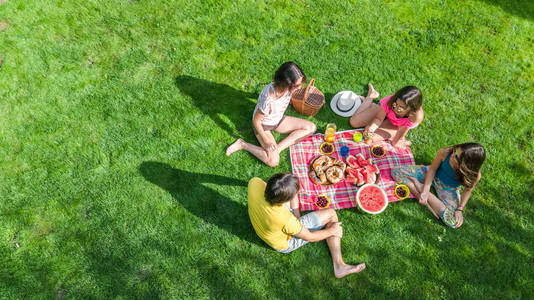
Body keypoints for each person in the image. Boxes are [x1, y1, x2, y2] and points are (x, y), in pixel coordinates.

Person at [247, 173, 366, 278]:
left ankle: (298, 215)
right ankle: (339, 265)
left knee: (290, 184)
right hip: (285, 242)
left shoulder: (254, 183)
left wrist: (297, 217)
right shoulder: (285, 219)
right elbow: (310, 237)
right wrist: (332, 230)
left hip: (262, 224)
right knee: (331, 214)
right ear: (283, 201)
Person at [226, 62, 316, 166]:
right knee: (273, 162)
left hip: (278, 120)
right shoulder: (268, 99)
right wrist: (266, 141)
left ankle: (277, 149)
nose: (300, 87)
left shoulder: (287, 89)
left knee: (311, 128)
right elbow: (256, 121)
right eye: (297, 85)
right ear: (286, 83)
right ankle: (243, 144)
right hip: (264, 126)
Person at [391, 143, 486, 228]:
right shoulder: (445, 153)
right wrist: (425, 190)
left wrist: (460, 209)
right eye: (455, 151)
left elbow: (467, 191)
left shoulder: (474, 175)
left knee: (452, 221)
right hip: (431, 175)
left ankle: (418, 186)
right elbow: (432, 170)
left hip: (448, 190)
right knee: (396, 172)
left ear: (466, 165)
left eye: (457, 157)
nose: (453, 155)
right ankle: (416, 189)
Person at [349, 86, 424, 149]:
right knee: (354, 122)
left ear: (411, 109)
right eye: (395, 104)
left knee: (371, 138)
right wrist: (371, 129)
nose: (395, 108)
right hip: (384, 112)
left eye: (401, 108)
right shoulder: (390, 100)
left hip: (396, 125)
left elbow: (400, 133)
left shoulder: (414, 117)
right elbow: (378, 119)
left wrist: (397, 143)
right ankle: (371, 96)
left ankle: (371, 106)